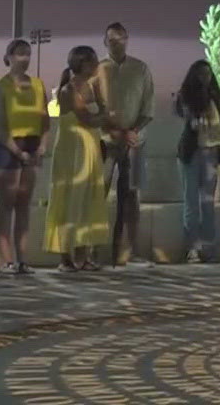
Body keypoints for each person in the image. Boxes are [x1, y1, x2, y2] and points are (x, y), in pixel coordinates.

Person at [45, 45, 109, 271]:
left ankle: (83, 254)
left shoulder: (91, 88)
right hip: (73, 150)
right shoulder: (68, 91)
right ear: (82, 64)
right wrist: (104, 114)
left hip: (89, 147)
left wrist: (102, 109)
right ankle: (66, 256)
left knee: (87, 199)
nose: (96, 66)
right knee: (70, 199)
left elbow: (101, 113)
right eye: (93, 62)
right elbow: (89, 118)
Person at [0, 39, 49, 276]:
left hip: (33, 144)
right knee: (7, 202)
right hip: (8, 147)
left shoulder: (37, 84)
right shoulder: (1, 85)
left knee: (24, 203)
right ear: (10, 57)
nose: (24, 59)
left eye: (28, 54)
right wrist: (17, 151)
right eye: (20, 54)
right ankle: (5, 260)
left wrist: (43, 145)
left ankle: (23, 259)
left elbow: (45, 118)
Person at [97, 23, 155, 267]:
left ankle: (129, 251)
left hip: (134, 143)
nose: (117, 43)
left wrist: (132, 132)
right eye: (112, 39)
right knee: (97, 195)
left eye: (121, 38)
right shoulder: (98, 70)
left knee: (131, 197)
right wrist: (115, 131)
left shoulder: (140, 69)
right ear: (105, 42)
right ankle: (93, 251)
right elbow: (94, 109)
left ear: (128, 39)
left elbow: (147, 108)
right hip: (105, 142)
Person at [174, 59, 220, 263]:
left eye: (208, 74)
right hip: (192, 152)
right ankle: (192, 248)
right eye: (201, 74)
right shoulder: (187, 96)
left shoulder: (216, 97)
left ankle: (209, 246)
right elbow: (187, 116)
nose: (205, 78)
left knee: (207, 202)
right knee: (191, 201)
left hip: (211, 153)